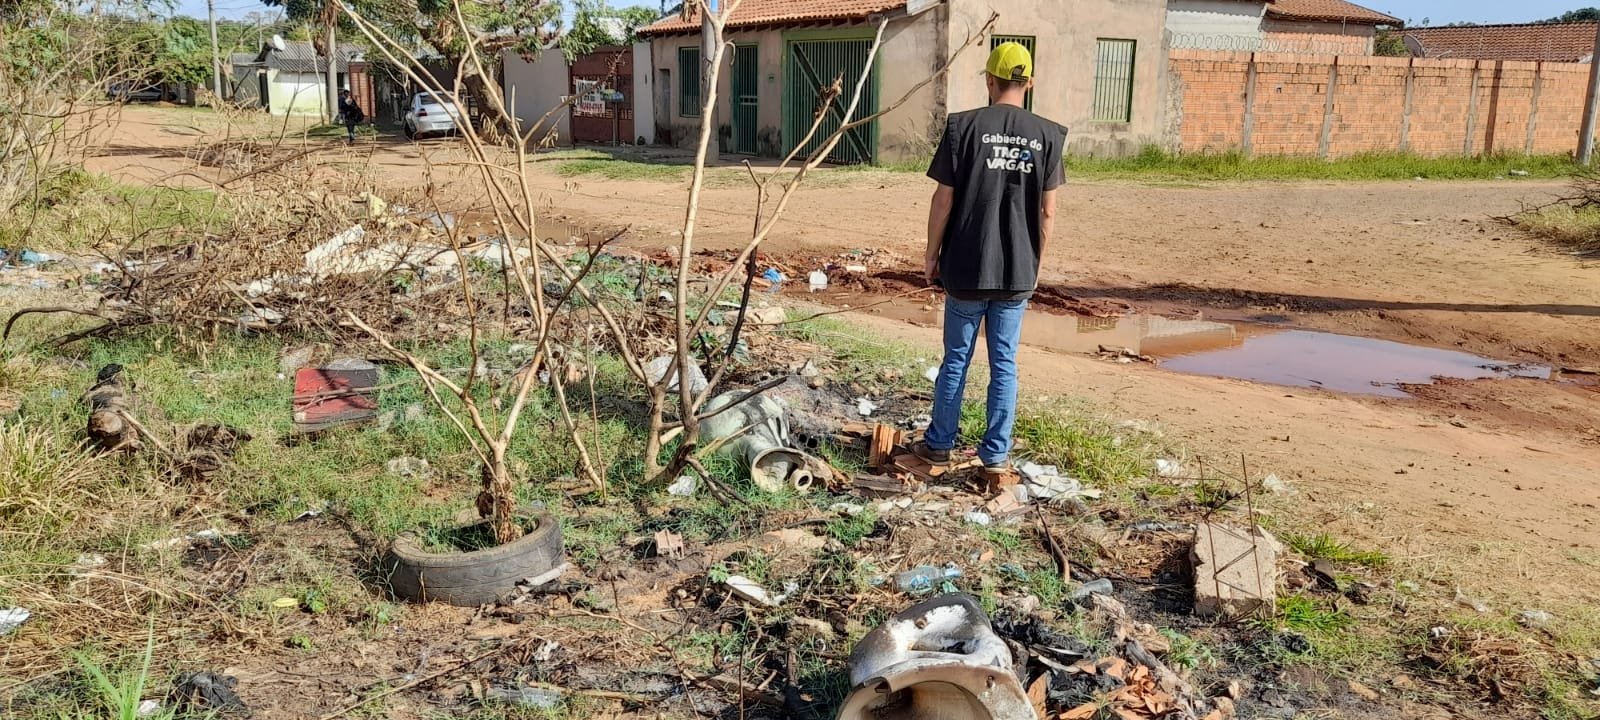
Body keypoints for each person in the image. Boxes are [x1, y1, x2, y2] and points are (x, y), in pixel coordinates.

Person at [914, 41, 1066, 480]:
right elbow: (1048, 212)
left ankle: (939, 445)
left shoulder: (963, 127)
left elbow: (943, 200)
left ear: (989, 80)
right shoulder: (1049, 135)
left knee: (955, 361)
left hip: (965, 266)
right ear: (1029, 82)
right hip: (1017, 270)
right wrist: (1033, 264)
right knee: (1005, 364)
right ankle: (996, 454)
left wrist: (931, 255)